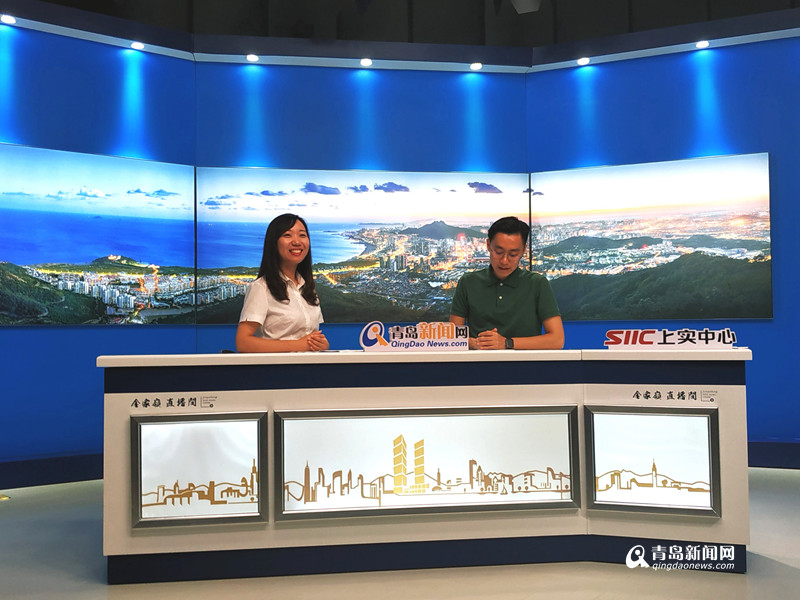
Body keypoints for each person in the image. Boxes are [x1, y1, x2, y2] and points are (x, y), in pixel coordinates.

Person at [449, 216, 564, 350]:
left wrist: (506, 343)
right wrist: (473, 343)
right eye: (499, 252)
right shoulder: (468, 282)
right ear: (488, 245)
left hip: (525, 363)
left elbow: (557, 340)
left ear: (523, 250)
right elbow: (453, 338)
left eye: (513, 254)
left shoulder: (537, 283)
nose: (504, 260)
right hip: (478, 361)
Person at [236, 213, 329, 352]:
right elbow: (243, 343)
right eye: (287, 235)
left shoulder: (307, 288)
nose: (297, 241)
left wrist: (321, 345)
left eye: (302, 235)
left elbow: (309, 338)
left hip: (310, 365)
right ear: (274, 243)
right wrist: (300, 345)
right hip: (278, 365)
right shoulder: (261, 287)